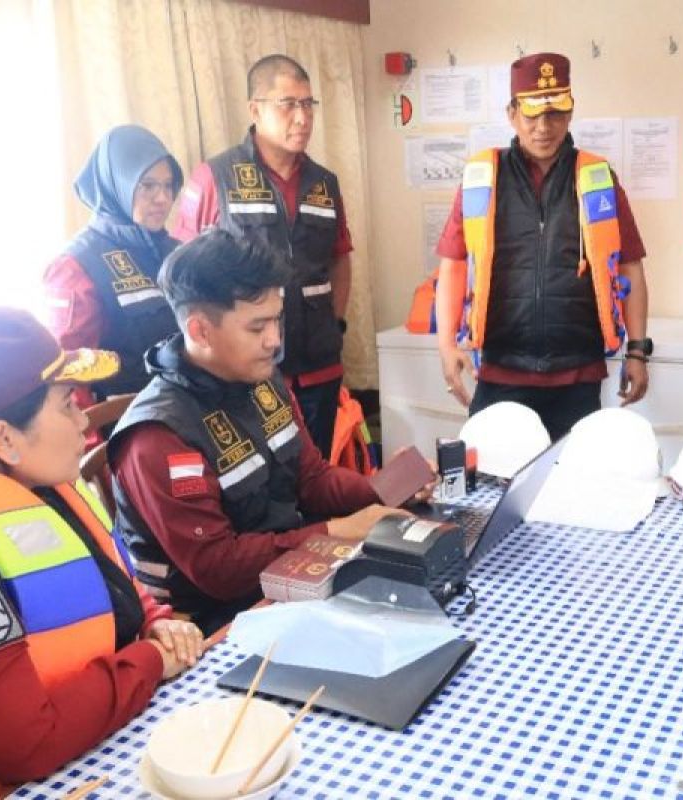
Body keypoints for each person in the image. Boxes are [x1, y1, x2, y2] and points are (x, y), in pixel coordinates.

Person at [0, 309, 204, 794]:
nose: (84, 421)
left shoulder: (37, 486)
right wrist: (149, 659)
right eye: (68, 404)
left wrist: (154, 619)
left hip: (87, 750)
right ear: (5, 438)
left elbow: (105, 584)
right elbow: (23, 744)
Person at [108, 231, 415, 635]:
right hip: (212, 623)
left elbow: (311, 479)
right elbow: (218, 568)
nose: (274, 340)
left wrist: (386, 489)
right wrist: (334, 532)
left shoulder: (261, 378)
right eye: (257, 328)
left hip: (290, 578)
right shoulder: (157, 437)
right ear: (200, 331)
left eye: (277, 320)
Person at [433, 52, 651, 441]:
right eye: (532, 115)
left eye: (554, 114)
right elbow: (453, 264)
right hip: (500, 372)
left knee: (572, 489)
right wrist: (447, 344)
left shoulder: (598, 179)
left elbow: (630, 266)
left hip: (577, 374)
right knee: (489, 489)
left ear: (570, 113)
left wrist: (637, 351)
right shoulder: (482, 178)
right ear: (512, 113)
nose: (543, 128)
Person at [173, 55, 352, 461]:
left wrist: (335, 323)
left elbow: (340, 258)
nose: (302, 118)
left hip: (319, 367)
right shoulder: (215, 176)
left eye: (308, 105)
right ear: (255, 110)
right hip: (247, 374)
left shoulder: (325, 182)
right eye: (288, 104)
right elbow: (184, 272)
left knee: (316, 475)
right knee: (259, 487)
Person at [42, 125, 183, 404]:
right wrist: (90, 442)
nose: (162, 198)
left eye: (168, 185)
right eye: (148, 185)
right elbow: (69, 379)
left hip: (187, 414)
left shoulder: (177, 251)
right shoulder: (77, 266)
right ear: (117, 185)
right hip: (122, 428)